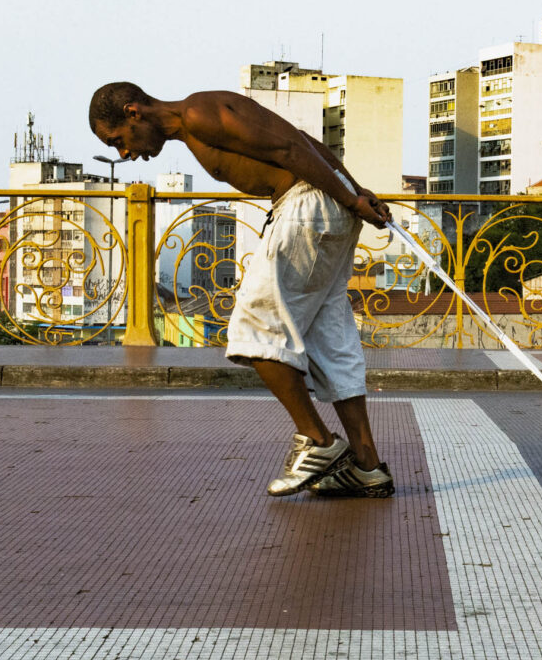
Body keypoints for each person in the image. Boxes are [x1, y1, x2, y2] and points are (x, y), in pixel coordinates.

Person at [88, 82, 395, 499]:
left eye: (118, 141)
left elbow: (291, 150)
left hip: (306, 207)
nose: (125, 154)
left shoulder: (199, 113)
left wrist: (350, 194)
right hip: (324, 206)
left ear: (133, 112)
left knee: (252, 332)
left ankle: (318, 442)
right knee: (329, 340)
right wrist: (355, 194)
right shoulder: (195, 122)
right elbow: (304, 141)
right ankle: (367, 466)